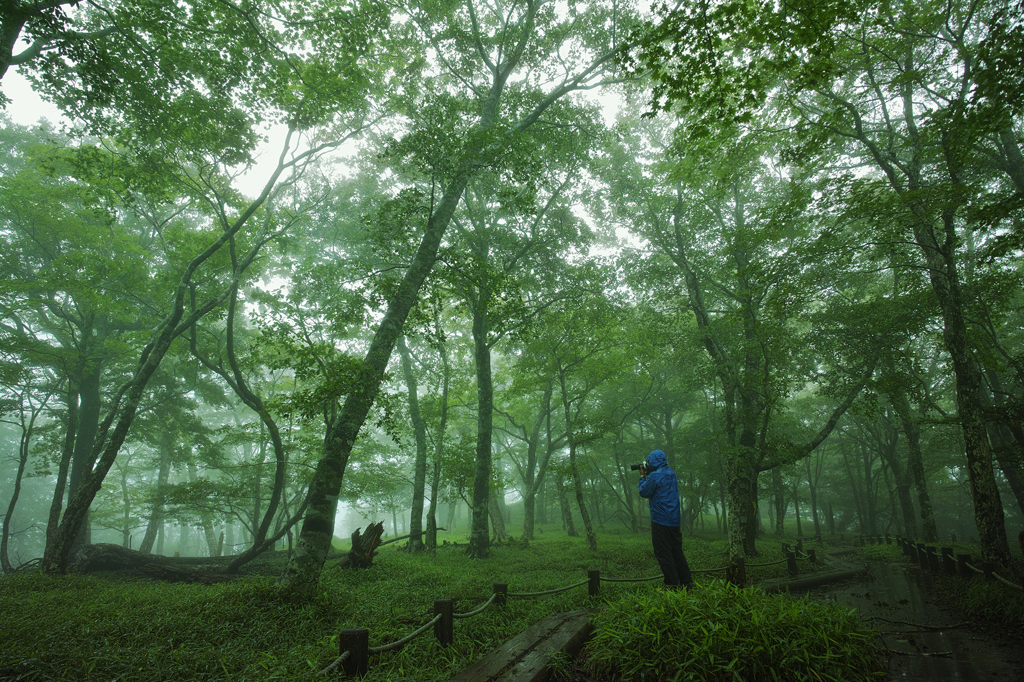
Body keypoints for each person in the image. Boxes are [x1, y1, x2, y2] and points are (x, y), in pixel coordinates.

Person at [638, 449, 694, 589]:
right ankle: (686, 582)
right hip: (674, 520)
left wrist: (642, 477)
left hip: (660, 521)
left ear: (652, 461)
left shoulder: (654, 476)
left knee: (663, 553)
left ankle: (671, 585)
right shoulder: (671, 473)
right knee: (677, 551)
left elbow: (644, 492)